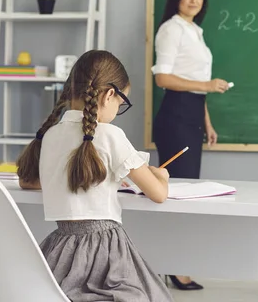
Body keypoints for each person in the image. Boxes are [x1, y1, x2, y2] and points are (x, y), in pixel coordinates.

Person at [16, 50, 175, 302]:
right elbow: (158, 194)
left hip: (60, 251)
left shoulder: (50, 136)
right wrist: (162, 175)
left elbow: (30, 181)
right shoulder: (111, 135)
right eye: (122, 103)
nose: (118, 109)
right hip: (107, 251)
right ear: (110, 94)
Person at [151, 0, 230, 290]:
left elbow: (197, 85)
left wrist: (207, 122)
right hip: (176, 117)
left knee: (187, 192)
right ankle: (172, 267)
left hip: (193, 116)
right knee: (176, 195)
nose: (194, 0)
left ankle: (176, 264)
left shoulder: (195, 31)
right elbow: (163, 79)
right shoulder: (171, 29)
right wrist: (208, 86)